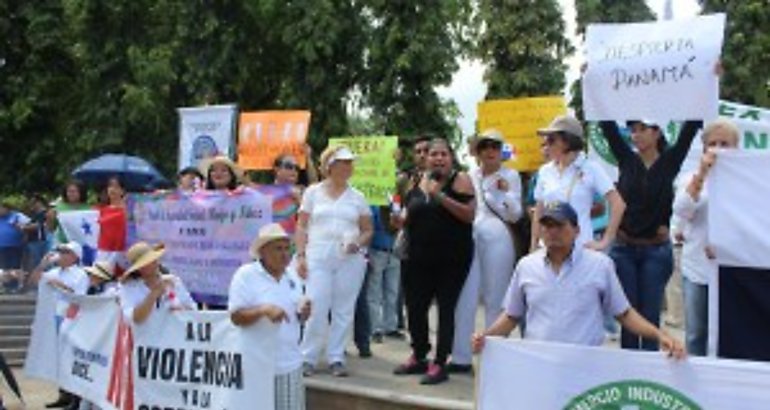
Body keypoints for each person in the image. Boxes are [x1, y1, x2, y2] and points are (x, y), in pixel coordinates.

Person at [472, 201, 685, 359]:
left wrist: (659, 335)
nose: (552, 232)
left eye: (559, 225)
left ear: (576, 230)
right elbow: (511, 315)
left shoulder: (600, 266)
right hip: (538, 363)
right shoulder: (526, 266)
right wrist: (486, 336)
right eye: (547, 226)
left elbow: (624, 313)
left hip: (585, 366)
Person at [599, 118, 703, 350]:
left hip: (655, 251)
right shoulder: (627, 160)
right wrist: (592, 84)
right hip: (624, 250)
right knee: (627, 313)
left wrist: (707, 83)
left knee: (649, 314)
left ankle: (650, 373)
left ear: (657, 133)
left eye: (642, 130)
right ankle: (628, 370)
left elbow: (690, 128)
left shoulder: (670, 161)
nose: (635, 135)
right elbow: (607, 127)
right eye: (633, 131)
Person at [393, 138, 475, 385]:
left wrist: (440, 196)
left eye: (443, 154)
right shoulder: (416, 181)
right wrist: (400, 220)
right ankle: (419, 355)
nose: (438, 158)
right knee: (415, 308)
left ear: (451, 157)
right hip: (417, 257)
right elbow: (410, 214)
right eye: (433, 154)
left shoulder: (460, 179)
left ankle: (440, 363)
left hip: (451, 259)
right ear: (426, 158)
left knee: (446, 310)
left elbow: (470, 214)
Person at [295, 145, 373, 377]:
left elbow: (367, 229)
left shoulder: (358, 197)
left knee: (344, 309)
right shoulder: (313, 192)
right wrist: (300, 256)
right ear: (330, 166)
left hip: (349, 258)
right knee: (316, 305)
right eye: (343, 162)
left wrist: (357, 243)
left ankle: (336, 357)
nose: (349, 167)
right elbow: (301, 225)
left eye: (350, 163)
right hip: (318, 254)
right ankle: (308, 357)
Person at [451, 129, 522, 373]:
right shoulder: (469, 175)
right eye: (485, 147)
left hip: (498, 234)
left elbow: (516, 214)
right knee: (466, 296)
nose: (490, 151)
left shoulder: (511, 175)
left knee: (496, 296)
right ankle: (460, 357)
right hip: (471, 235)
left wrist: (503, 193)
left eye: (494, 147)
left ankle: (495, 357)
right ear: (478, 152)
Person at [672, 119, 739, 356]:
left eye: (725, 144)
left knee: (732, 332)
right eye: (713, 143)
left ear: (736, 147)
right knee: (696, 333)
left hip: (734, 269)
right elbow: (682, 210)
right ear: (703, 148)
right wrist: (702, 173)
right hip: (698, 268)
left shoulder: (746, 180)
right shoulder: (689, 178)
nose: (719, 148)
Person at [229, 223, 311, 410]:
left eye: (286, 248)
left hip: (289, 363)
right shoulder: (245, 275)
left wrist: (304, 313)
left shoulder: (293, 276)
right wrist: (262, 310)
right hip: (255, 364)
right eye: (278, 249)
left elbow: (297, 316)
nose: (284, 254)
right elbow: (235, 317)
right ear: (263, 252)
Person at [531, 115, 625, 252]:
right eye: (545, 141)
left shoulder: (591, 168)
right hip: (549, 249)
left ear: (567, 142)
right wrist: (533, 246)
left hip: (581, 249)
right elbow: (539, 210)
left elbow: (618, 204)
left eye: (551, 140)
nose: (546, 145)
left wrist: (605, 241)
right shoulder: (545, 171)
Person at [29, 242, 89, 409]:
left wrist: (59, 285)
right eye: (61, 252)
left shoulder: (80, 274)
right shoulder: (54, 271)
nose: (61, 255)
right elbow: (34, 280)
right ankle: (63, 393)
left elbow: (79, 298)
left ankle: (74, 397)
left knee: (70, 358)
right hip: (53, 317)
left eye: (65, 252)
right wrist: (42, 265)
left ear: (75, 257)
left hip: (69, 319)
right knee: (58, 359)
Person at [118, 242, 196, 324]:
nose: (154, 263)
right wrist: (154, 294)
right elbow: (136, 319)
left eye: (153, 259)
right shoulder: (129, 287)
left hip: (173, 335)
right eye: (147, 262)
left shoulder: (173, 281)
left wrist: (182, 310)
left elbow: (193, 311)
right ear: (139, 268)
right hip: (146, 336)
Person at [365, 204, 403, 344]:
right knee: (374, 292)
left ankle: (390, 326)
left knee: (392, 291)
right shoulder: (373, 207)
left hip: (393, 252)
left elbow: (400, 226)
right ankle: (375, 328)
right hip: (377, 251)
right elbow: (370, 229)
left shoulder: (395, 205)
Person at [47, 180, 90, 246]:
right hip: (63, 243)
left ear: (81, 192)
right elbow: (51, 228)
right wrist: (50, 218)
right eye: (69, 191)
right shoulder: (59, 207)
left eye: (74, 191)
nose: (71, 194)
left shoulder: (89, 208)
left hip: (82, 244)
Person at [0, 200, 30, 273]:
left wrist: (24, 235)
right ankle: (5, 283)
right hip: (1, 246)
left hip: (15, 246)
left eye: (1, 208)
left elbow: (29, 226)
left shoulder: (17, 215)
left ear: (7, 208)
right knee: (3, 267)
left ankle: (14, 283)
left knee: (15, 266)